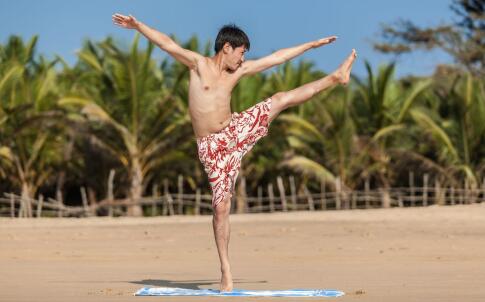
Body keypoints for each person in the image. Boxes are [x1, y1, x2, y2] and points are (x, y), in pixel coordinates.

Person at [112, 13, 356, 292]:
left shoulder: (238, 72)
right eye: (241, 53)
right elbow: (167, 44)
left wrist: (311, 45)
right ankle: (225, 271)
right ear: (226, 47)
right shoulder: (198, 65)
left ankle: (336, 77)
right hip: (212, 149)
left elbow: (276, 58)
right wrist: (138, 26)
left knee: (279, 100)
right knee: (221, 207)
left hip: (234, 130)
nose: (243, 60)